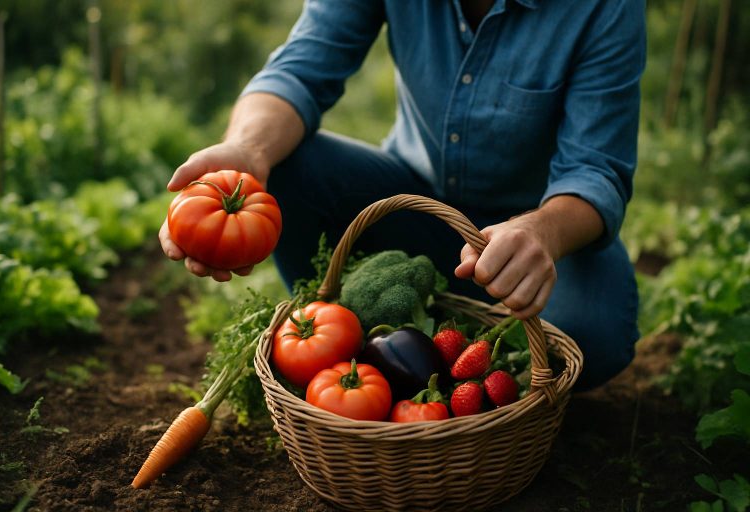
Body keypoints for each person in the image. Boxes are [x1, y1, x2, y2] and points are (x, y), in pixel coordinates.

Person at [159, 0, 646, 391]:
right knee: (285, 164)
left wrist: (542, 230)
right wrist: (248, 149)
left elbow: (594, 168)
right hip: (414, 204)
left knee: (591, 333)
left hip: (542, 233)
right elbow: (300, 70)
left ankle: (484, 383)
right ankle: (347, 365)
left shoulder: (602, 6)